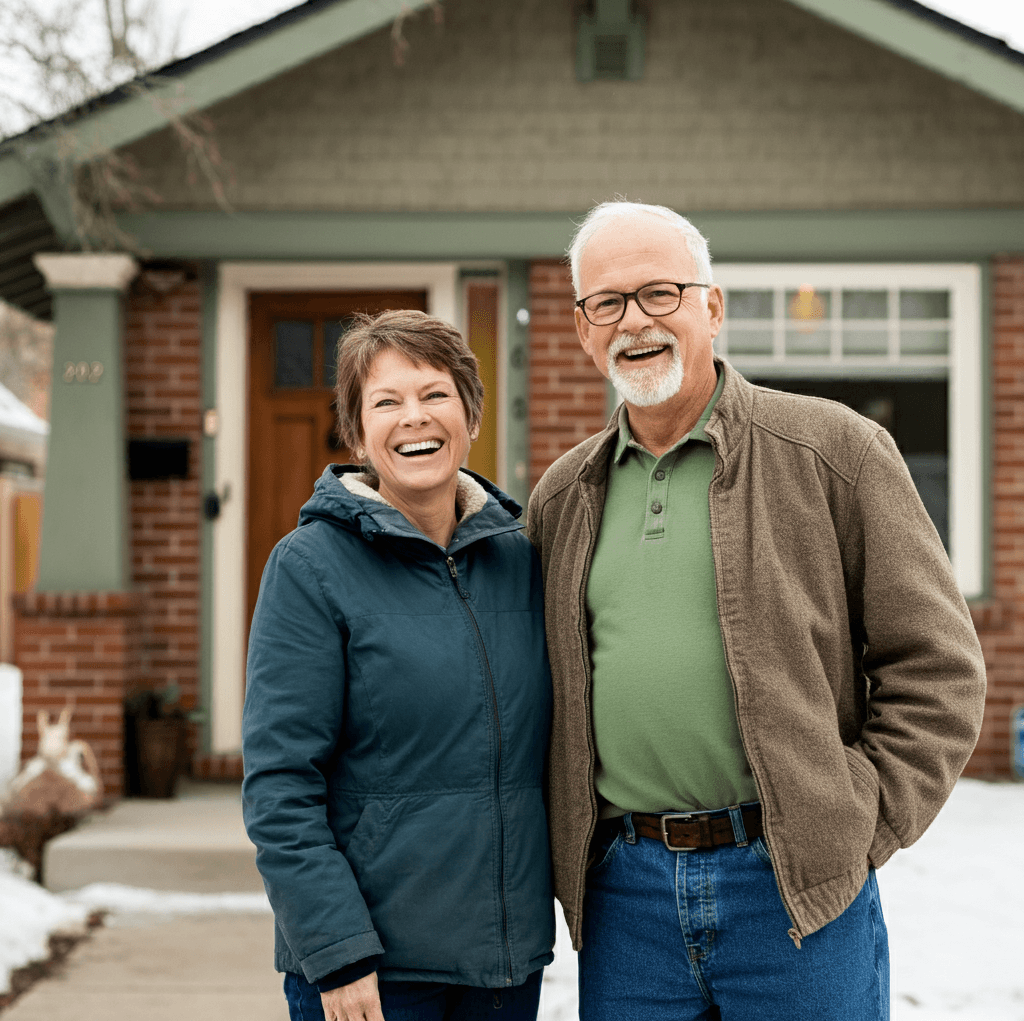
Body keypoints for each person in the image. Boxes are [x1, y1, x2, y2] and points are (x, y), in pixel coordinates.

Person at [526, 201, 987, 1021]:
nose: (637, 320)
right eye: (610, 302)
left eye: (661, 293)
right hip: (625, 896)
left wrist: (857, 823)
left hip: (793, 890)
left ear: (712, 306)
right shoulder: (564, 497)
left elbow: (939, 668)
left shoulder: (833, 453)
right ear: (584, 330)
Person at [243, 309, 554, 1021]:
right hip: (376, 975)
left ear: (471, 415)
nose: (415, 418)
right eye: (386, 402)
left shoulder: (518, 559)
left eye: (435, 394)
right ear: (357, 434)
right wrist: (337, 951)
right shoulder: (309, 568)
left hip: (503, 967)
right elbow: (280, 784)